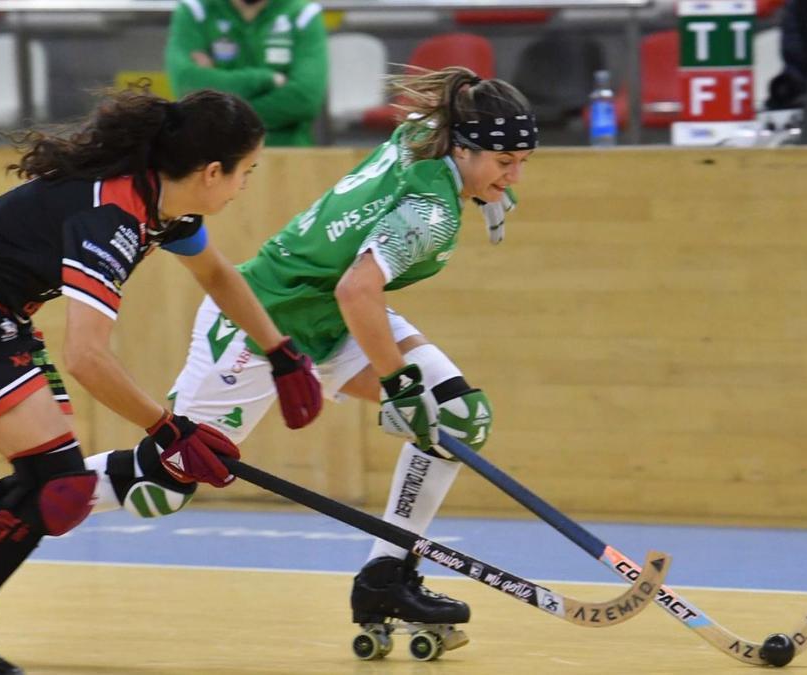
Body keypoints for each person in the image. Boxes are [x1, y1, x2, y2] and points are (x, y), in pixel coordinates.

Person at [0, 85, 321, 674]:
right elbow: (87, 357)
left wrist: (282, 351)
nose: (245, 185)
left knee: (52, 482)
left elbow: (218, 275)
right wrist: (170, 430)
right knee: (57, 486)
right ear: (212, 172)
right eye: (246, 172)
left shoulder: (165, 204)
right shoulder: (113, 217)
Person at [84, 66, 535, 642]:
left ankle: (387, 574)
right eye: (505, 163)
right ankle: (16, 499)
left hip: (328, 318)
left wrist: (489, 184)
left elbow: (354, 286)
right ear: (464, 147)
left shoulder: (424, 133)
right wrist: (399, 386)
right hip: (262, 323)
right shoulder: (432, 213)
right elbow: (358, 290)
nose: (516, 175)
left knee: (456, 415)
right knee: (164, 483)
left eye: (524, 162)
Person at [166, 0, 328, 147]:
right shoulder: (195, 10)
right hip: (212, 157)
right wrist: (266, 79)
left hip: (287, 159)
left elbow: (305, 99)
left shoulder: (303, 13)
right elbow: (187, 84)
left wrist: (215, 111)